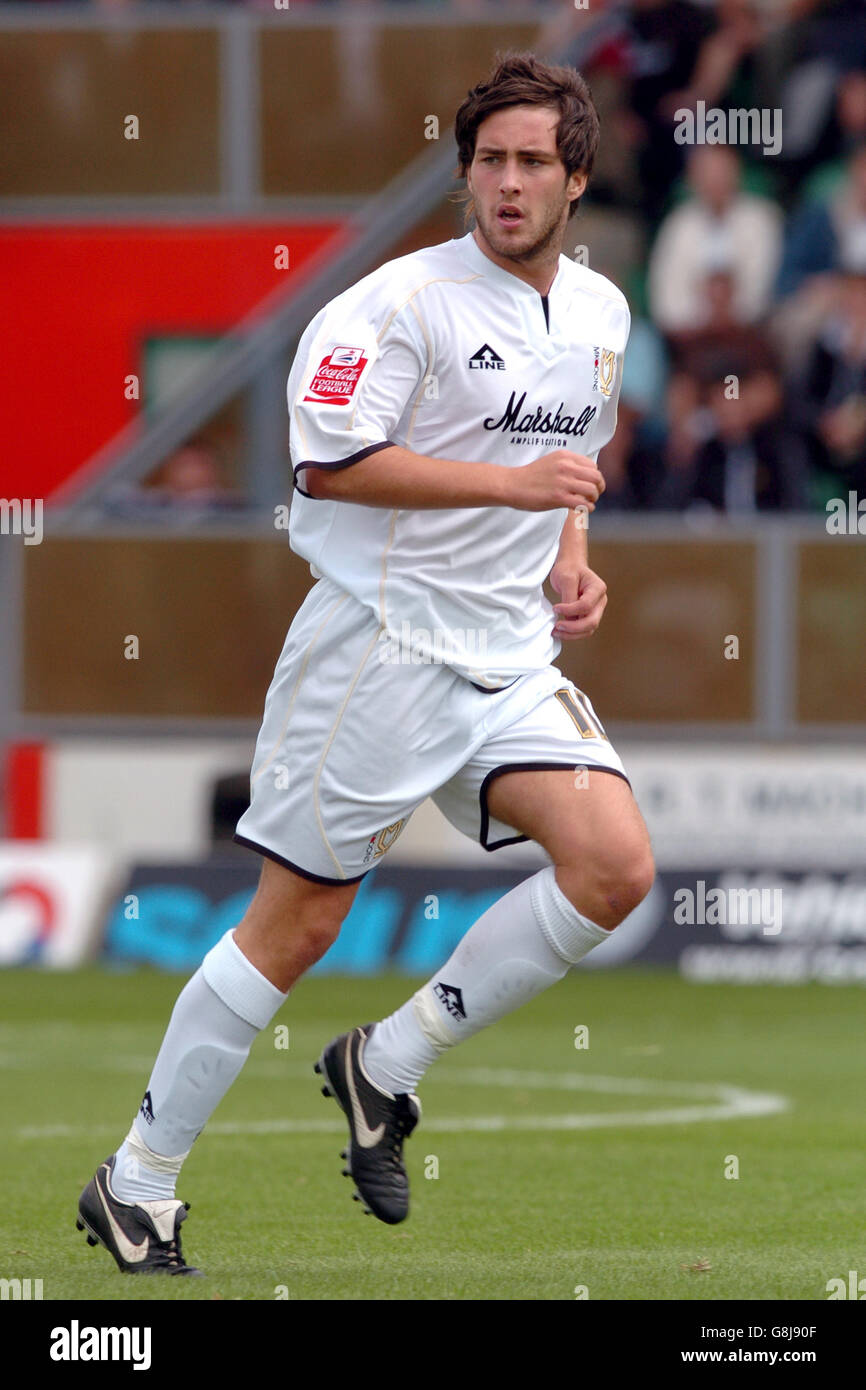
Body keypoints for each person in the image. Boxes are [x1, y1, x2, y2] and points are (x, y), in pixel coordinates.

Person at [76, 52, 655, 1276]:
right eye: (486, 162)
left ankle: (383, 1065)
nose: (506, 184)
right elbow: (326, 467)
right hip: (379, 650)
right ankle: (137, 1181)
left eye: (530, 163)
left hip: (505, 654)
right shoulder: (395, 305)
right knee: (296, 927)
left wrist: (569, 553)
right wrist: (511, 487)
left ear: (576, 178)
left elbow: (573, 455)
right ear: (461, 177)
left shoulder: (598, 312)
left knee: (613, 868)